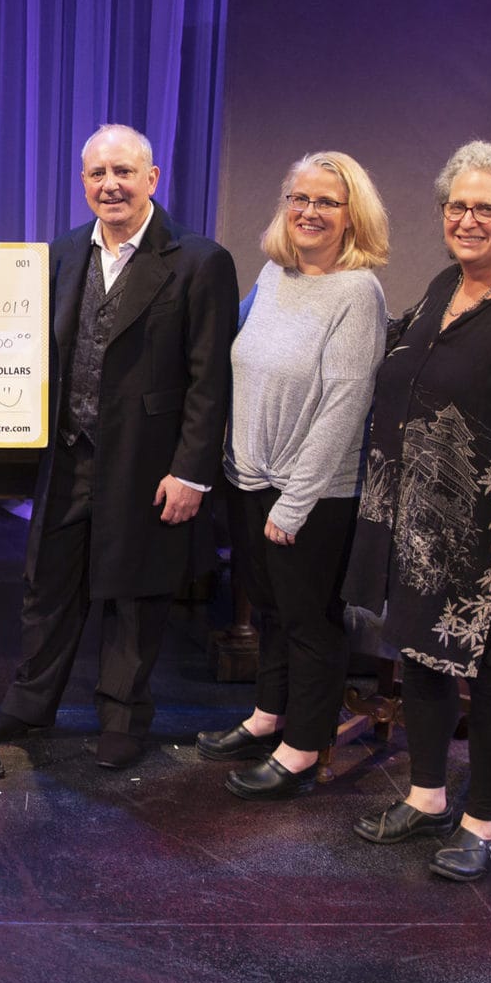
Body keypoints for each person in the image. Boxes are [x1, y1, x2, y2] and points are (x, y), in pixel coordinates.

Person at [0, 124, 238, 769]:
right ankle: (29, 706)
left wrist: (191, 472)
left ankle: (123, 719)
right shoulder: (58, 255)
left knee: (137, 595)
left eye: (123, 172)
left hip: (147, 461)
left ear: (152, 179)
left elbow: (210, 379)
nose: (110, 185)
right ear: (82, 182)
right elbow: (7, 328)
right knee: (47, 586)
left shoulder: (200, 261)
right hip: (68, 455)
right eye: (97, 174)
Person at [343, 136, 491, 880]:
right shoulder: (447, 284)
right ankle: (426, 796)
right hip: (418, 525)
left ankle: (480, 822)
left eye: (487, 209)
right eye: (457, 206)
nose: (467, 220)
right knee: (421, 661)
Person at [194, 152, 389, 799]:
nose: (309, 211)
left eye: (326, 201)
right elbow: (224, 335)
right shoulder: (275, 274)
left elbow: (346, 403)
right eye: (299, 198)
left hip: (312, 491)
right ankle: (268, 716)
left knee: (309, 620)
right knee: (272, 612)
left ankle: (303, 746)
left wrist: (296, 501)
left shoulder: (357, 293)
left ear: (352, 214)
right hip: (249, 478)